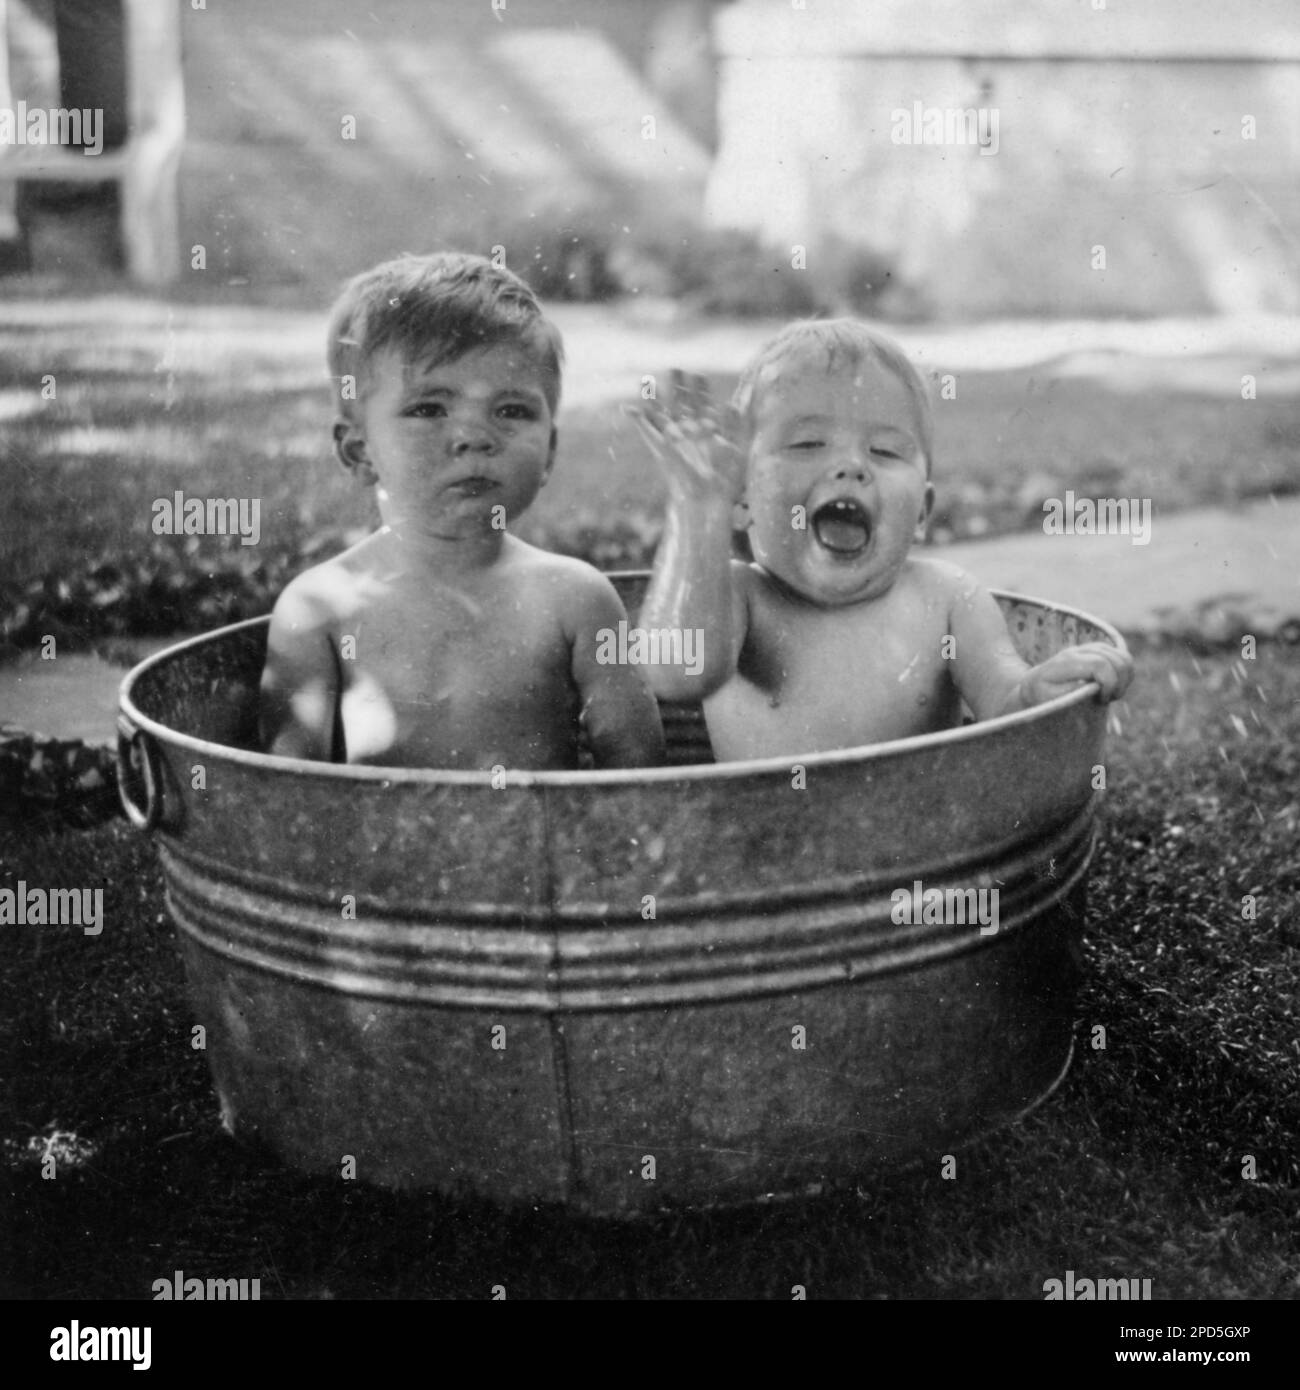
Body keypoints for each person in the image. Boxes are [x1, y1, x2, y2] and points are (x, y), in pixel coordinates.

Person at [634, 319, 1132, 761]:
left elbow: (1004, 705)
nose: (851, 465)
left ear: (922, 514)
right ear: (742, 498)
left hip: (923, 830)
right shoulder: (738, 598)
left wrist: (1037, 693)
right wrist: (698, 508)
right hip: (766, 835)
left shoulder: (947, 600)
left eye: (885, 451)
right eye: (807, 443)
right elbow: (678, 673)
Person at [260, 252, 664, 770]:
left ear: (549, 452)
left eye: (511, 410)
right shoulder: (320, 608)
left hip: (543, 825)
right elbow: (287, 789)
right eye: (429, 408)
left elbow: (640, 775)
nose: (474, 436)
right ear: (359, 451)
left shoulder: (577, 599)